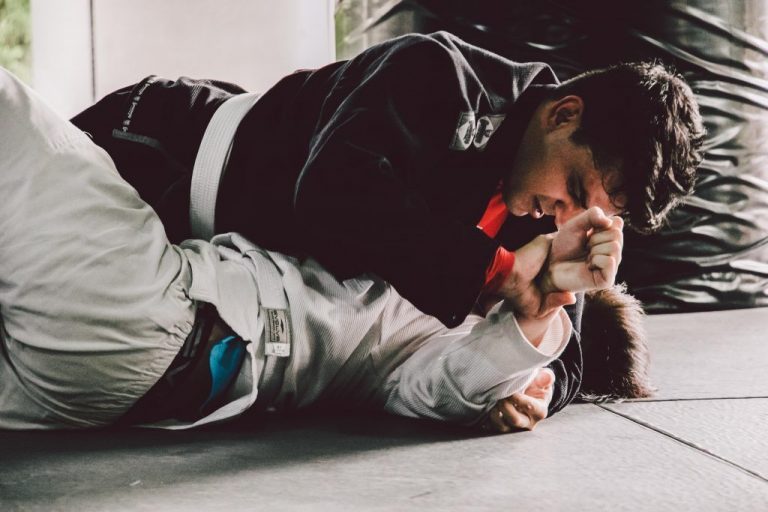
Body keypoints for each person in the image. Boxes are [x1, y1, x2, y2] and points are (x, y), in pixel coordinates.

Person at [71, 31, 705, 417]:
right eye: (573, 189)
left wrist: (529, 381)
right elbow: (329, 197)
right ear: (562, 114)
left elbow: (568, 343)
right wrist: (499, 274)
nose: (560, 214)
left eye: (585, 210)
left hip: (204, 256)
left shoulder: (539, 207)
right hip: (156, 145)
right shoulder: (435, 73)